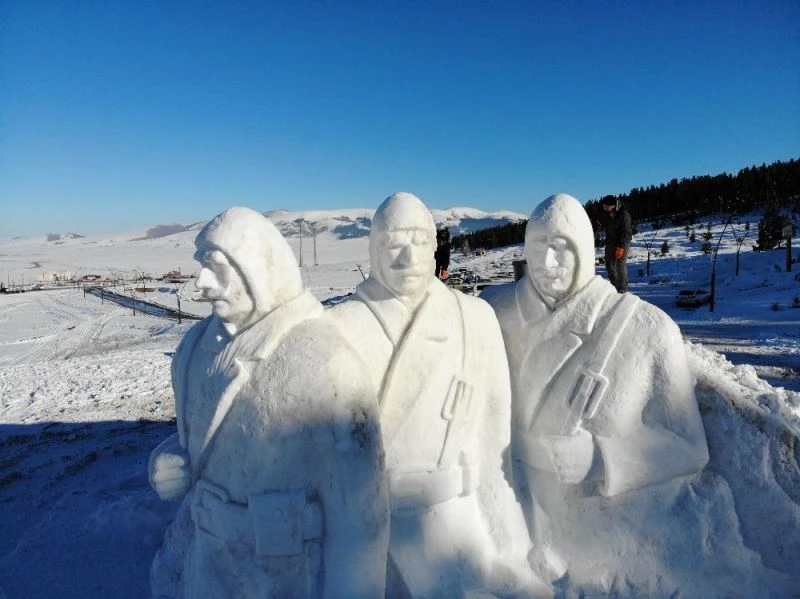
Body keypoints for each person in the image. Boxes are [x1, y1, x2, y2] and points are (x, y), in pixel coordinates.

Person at [148, 207, 388, 599]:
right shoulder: (192, 349)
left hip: (285, 578)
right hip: (206, 569)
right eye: (201, 267)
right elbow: (196, 439)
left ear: (255, 270)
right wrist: (171, 460)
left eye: (216, 268)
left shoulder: (323, 359)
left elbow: (360, 518)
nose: (201, 284)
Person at [482, 193, 709, 592]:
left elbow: (690, 446)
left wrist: (601, 458)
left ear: (586, 252)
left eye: (563, 250)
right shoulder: (491, 312)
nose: (549, 265)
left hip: (599, 544)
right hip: (513, 515)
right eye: (539, 249)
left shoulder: (648, 330)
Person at [330, 193, 550, 598]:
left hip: (458, 522)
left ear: (435, 245)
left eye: (418, 240)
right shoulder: (339, 327)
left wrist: (512, 545)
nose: (407, 257)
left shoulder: (474, 318)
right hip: (374, 534)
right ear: (374, 250)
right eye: (393, 242)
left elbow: (492, 447)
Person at [598, 195, 632, 293]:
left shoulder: (624, 214)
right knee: (609, 264)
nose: (604, 208)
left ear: (612, 205)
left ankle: (622, 288)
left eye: (606, 206)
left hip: (622, 242)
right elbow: (605, 224)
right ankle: (614, 285)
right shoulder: (606, 213)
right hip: (611, 241)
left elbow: (627, 232)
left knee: (620, 265)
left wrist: (621, 247)